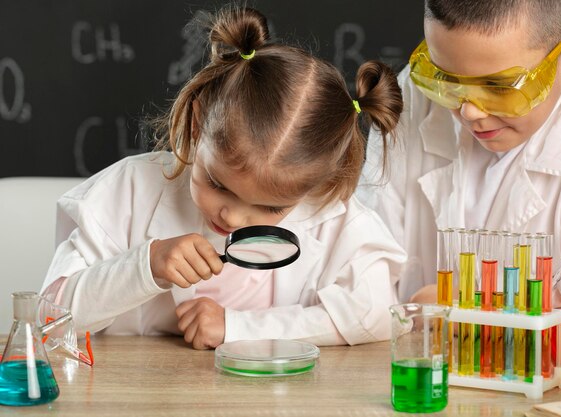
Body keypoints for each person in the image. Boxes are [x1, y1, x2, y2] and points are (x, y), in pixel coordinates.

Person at [40, 6, 406, 349]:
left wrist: (238, 327)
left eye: (269, 207)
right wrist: (144, 266)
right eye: (217, 184)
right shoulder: (128, 191)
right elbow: (49, 320)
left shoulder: (334, 217)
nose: (231, 217)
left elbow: (377, 314)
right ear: (197, 125)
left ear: (315, 186)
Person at [358, 0, 561, 306]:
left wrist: (477, 305)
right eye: (447, 80)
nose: (469, 111)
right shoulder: (410, 95)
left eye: (498, 87)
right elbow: (365, 262)